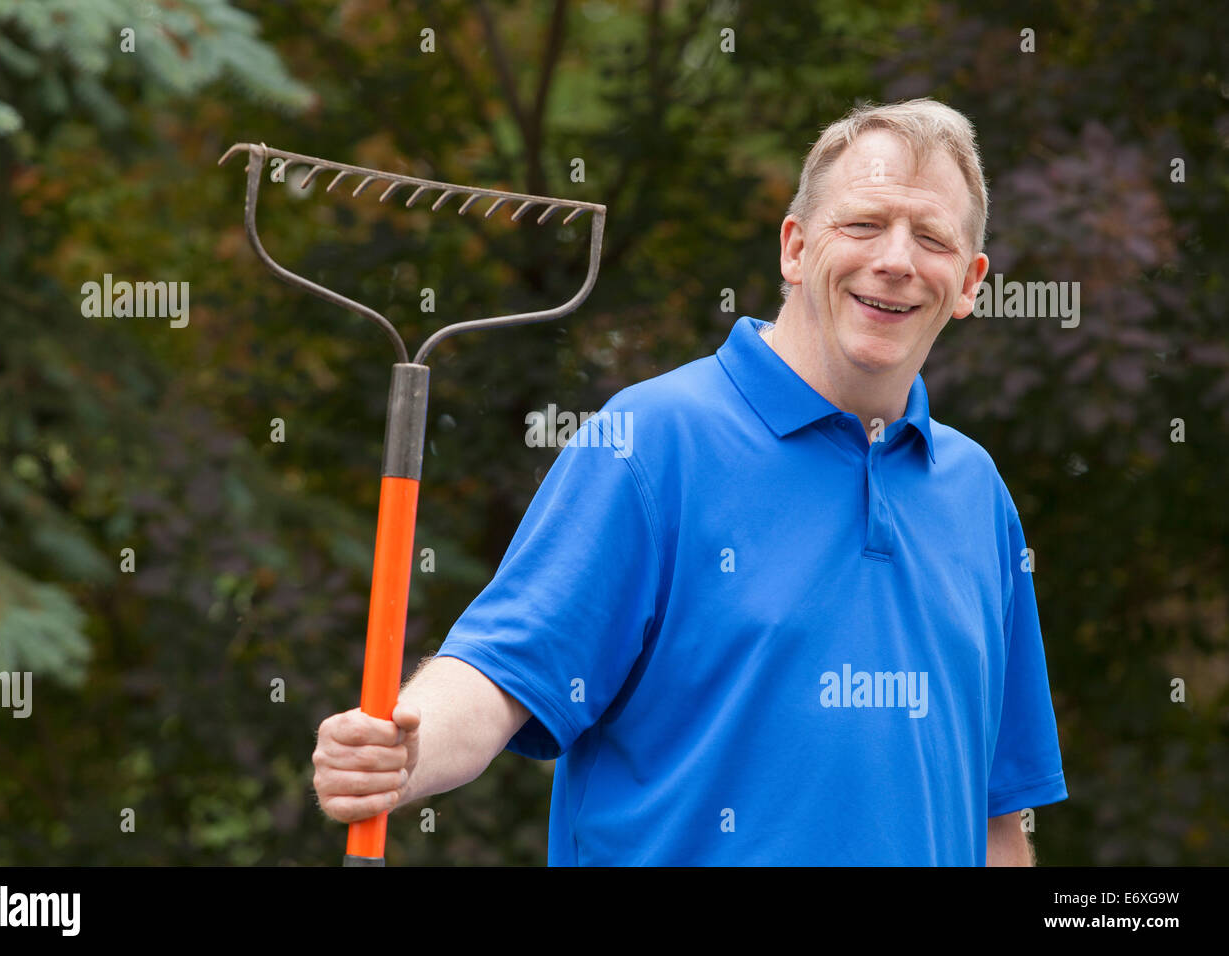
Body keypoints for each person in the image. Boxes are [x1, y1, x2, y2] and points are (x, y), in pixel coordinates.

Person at [312, 97, 1068, 865]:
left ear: (970, 281)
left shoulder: (976, 493)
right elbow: (500, 675)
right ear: (795, 247)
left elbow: (996, 814)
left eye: (931, 238)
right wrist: (401, 748)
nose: (897, 260)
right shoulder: (651, 442)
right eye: (864, 224)